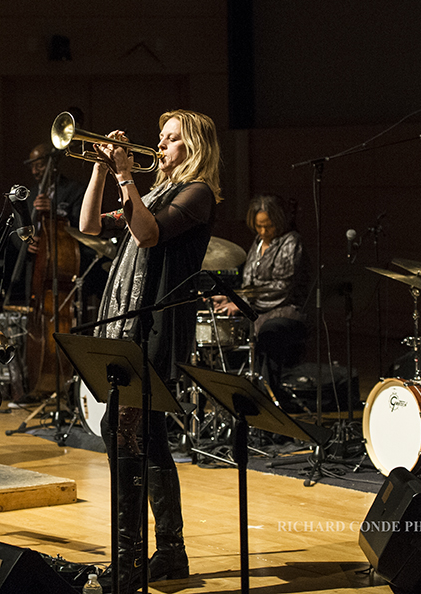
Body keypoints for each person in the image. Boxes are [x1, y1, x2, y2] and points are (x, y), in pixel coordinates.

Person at [79, 109, 222, 591]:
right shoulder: (155, 191)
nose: (160, 146)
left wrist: (125, 175)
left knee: (122, 433)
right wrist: (102, 170)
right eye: (159, 138)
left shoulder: (196, 192)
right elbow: (89, 225)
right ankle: (171, 552)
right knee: (147, 439)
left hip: (157, 326)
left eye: (171, 139)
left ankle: (130, 562)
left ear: (194, 146)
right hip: (131, 325)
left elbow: (148, 233)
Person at [215, 193, 310, 407]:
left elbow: (281, 288)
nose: (264, 231)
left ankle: (268, 402)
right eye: (259, 226)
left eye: (269, 226)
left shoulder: (290, 241)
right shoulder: (258, 242)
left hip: (286, 311)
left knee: (269, 332)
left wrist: (239, 302)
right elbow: (251, 285)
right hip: (258, 311)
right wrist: (229, 296)